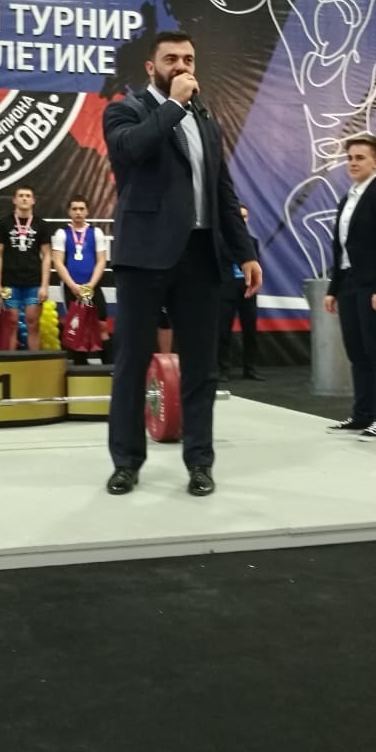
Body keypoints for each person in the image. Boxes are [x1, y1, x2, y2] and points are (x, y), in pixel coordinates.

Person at [103, 31, 262, 497]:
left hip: (200, 255)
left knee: (201, 367)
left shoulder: (205, 117)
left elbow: (222, 189)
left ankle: (200, 462)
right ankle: (126, 463)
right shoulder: (127, 109)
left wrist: (245, 252)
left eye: (188, 58)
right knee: (132, 363)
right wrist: (173, 104)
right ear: (151, 67)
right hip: (143, 256)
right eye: (171, 58)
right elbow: (131, 150)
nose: (182, 65)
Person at [323, 133, 376, 440]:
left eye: (360, 158)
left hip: (374, 286)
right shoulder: (347, 198)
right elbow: (341, 247)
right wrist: (333, 289)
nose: (353, 163)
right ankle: (362, 414)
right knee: (357, 352)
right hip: (349, 283)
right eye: (350, 158)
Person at [0, 185, 52, 350]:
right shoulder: (3, 223)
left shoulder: (42, 225)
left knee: (33, 323)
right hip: (9, 282)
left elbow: (47, 256)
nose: (24, 198)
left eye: (27, 196)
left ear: (33, 201)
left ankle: (34, 362)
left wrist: (44, 286)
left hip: (33, 281)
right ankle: (10, 361)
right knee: (10, 323)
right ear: (14, 200)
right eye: (21, 195)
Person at [51, 194, 109, 359]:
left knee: (102, 324)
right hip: (71, 287)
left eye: (81, 209)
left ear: (87, 211)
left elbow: (101, 260)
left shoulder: (96, 232)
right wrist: (72, 286)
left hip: (93, 285)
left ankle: (108, 366)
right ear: (69, 212)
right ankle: (79, 367)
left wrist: (91, 285)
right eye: (75, 209)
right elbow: (58, 262)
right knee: (76, 325)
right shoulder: (62, 233)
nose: (78, 212)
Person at [218, 205, 265, 381]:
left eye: (245, 217)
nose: (243, 220)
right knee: (223, 331)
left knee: (250, 330)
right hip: (227, 290)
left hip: (248, 290)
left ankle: (250, 368)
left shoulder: (253, 242)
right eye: (240, 217)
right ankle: (222, 369)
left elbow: (256, 265)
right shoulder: (220, 239)